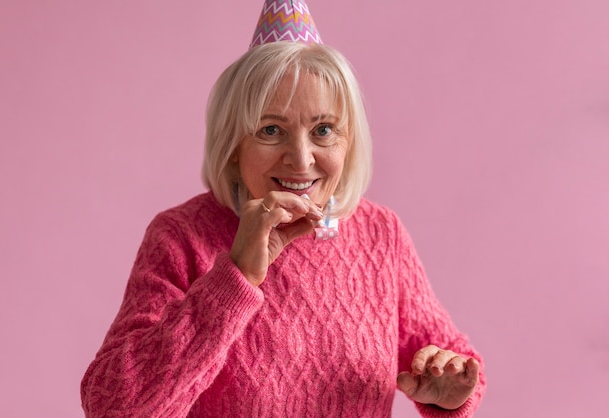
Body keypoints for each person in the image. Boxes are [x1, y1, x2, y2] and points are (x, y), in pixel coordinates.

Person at [81, 1, 486, 416]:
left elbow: (454, 367)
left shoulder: (380, 234)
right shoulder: (182, 237)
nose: (301, 158)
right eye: (271, 130)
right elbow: (112, 407)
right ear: (233, 146)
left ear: (349, 142)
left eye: (323, 130)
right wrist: (235, 275)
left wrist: (450, 390)